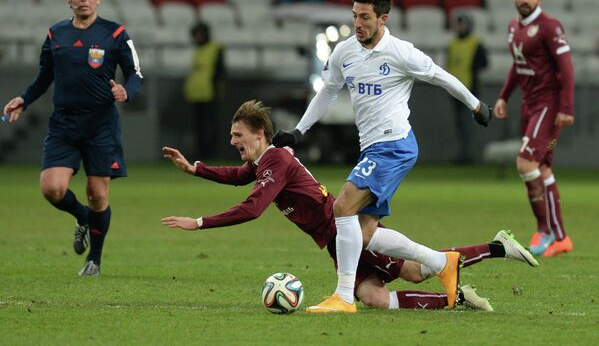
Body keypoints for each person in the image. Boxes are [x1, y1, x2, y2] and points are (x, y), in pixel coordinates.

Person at [161, 100, 537, 312]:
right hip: (333, 243)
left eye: (237, 135)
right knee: (372, 296)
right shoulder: (263, 162)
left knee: (417, 272)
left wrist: (199, 222)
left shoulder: (276, 160)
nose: (232, 141)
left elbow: (252, 208)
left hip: (350, 231)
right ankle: (454, 297)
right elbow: (238, 175)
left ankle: (497, 247)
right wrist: (195, 168)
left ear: (260, 133)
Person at [272, 0, 492, 313]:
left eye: (365, 17)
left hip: (393, 145)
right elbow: (328, 92)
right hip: (372, 149)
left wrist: (476, 106)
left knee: (342, 207)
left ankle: (344, 297)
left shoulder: (401, 52)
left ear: (383, 19)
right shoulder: (345, 52)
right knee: (364, 233)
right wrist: (300, 132)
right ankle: (441, 263)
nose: (358, 24)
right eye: (355, 16)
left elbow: (441, 76)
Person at [2, 0, 143, 276]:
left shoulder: (115, 33)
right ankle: (83, 217)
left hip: (101, 125)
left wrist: (126, 91)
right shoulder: (56, 35)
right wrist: (24, 100)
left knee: (97, 194)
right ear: (69, 0)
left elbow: (136, 74)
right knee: (51, 188)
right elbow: (44, 76)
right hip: (64, 124)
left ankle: (95, 259)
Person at [493, 0, 574, 258]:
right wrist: (504, 96)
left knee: (526, 161)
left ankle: (543, 228)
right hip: (530, 105)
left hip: (548, 106)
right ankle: (561, 237)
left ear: (540, 0)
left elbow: (566, 67)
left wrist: (567, 107)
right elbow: (517, 66)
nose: (525, 0)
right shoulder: (514, 27)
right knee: (544, 168)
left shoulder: (549, 27)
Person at [447, 11, 489, 164]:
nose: (459, 27)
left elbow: (484, 63)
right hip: (455, 90)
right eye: (458, 24)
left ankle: (468, 154)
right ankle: (462, 153)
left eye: (462, 23)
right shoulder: (452, 44)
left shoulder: (476, 43)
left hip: (470, 89)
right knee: (459, 123)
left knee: (467, 123)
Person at [183, 21, 225, 159]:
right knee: (198, 127)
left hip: (210, 93)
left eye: (198, 35)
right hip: (196, 93)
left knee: (210, 126)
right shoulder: (198, 50)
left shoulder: (215, 48)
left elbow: (220, 72)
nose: (196, 38)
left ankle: (210, 154)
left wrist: (217, 89)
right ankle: (200, 153)